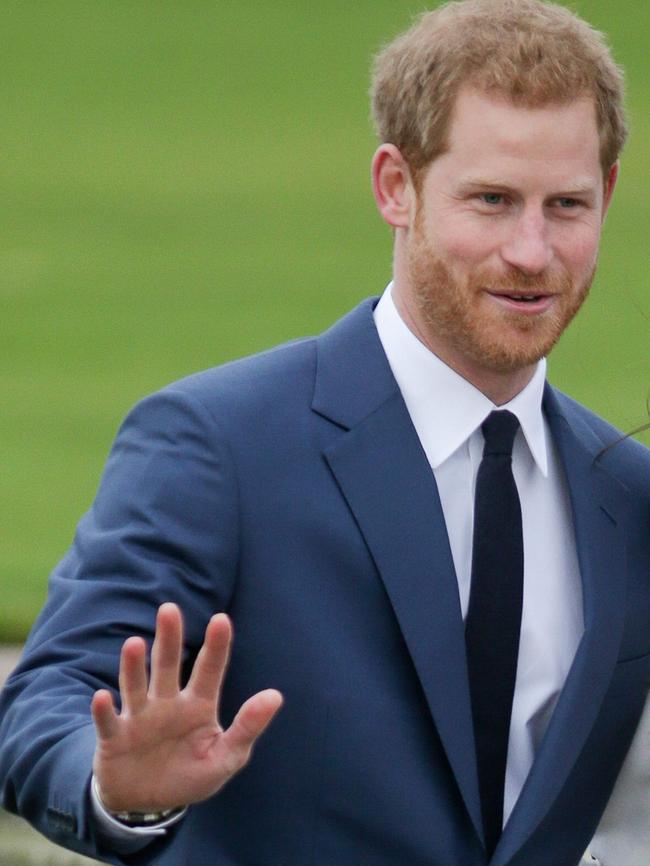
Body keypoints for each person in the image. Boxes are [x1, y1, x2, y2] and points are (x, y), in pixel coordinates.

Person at [1, 1, 650, 864]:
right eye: (491, 200)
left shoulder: (627, 494)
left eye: (565, 205)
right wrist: (115, 788)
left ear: (607, 194)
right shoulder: (218, 444)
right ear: (396, 186)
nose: (531, 252)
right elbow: (47, 697)